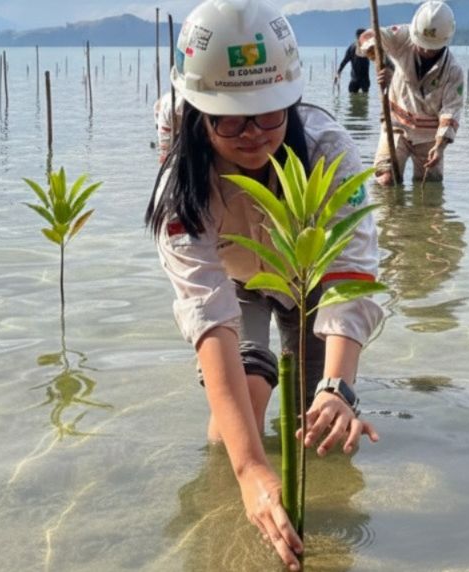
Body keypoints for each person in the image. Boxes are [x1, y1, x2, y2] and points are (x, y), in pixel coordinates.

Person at [145, 0, 382, 569]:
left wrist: (339, 389)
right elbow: (207, 313)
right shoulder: (179, 175)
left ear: (292, 101)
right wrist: (250, 473)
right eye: (229, 118)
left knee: (318, 426)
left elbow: (352, 268)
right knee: (234, 428)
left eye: (270, 115)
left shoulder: (329, 149)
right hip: (237, 276)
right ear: (198, 109)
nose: (251, 134)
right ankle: (229, 521)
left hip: (313, 279)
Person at [358, 0, 464, 186]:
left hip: (430, 135)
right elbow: (368, 37)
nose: (424, 50)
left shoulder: (453, 71)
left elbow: (450, 110)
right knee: (385, 179)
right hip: (397, 124)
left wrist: (439, 147)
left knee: (430, 186)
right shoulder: (403, 35)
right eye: (421, 44)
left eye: (431, 48)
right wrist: (379, 60)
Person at [336, 28, 371, 94]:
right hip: (358, 80)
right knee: (363, 99)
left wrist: (339, 72)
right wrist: (338, 73)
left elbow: (344, 61)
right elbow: (345, 61)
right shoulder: (353, 47)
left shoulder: (367, 47)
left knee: (355, 99)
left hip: (359, 80)